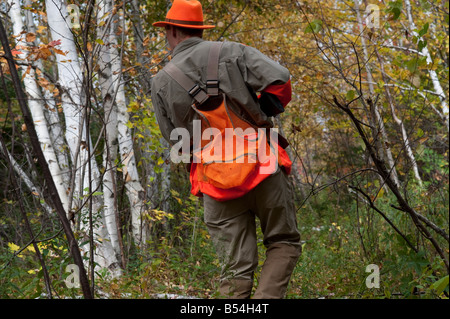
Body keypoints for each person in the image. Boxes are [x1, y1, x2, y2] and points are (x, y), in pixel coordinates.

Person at [151, 0, 301, 299]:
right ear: (199, 29)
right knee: (283, 242)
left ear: (171, 31)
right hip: (263, 166)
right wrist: (267, 107)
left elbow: (176, 143)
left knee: (235, 266)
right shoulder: (231, 51)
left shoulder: (160, 82)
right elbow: (280, 79)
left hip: (214, 181)